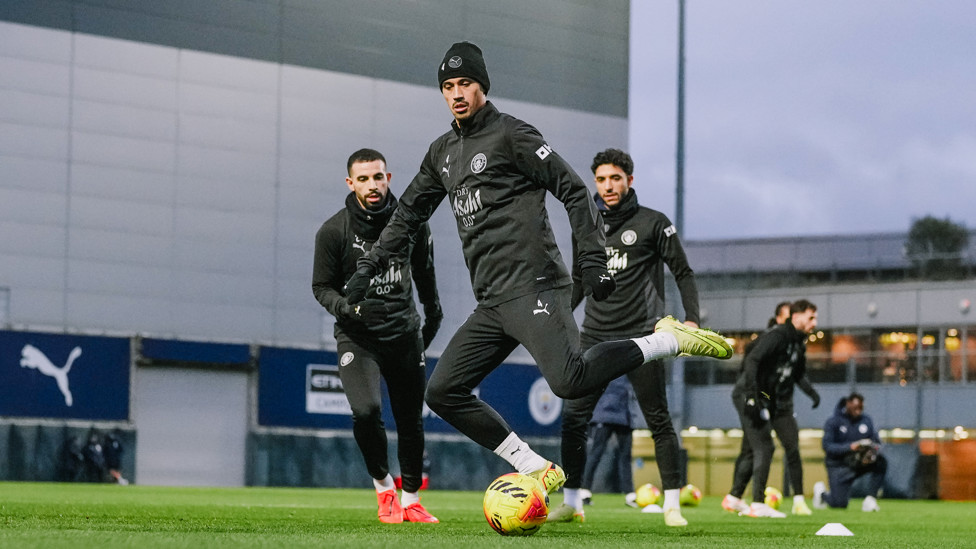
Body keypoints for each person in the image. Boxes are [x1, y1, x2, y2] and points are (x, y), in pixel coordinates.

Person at [342, 42, 733, 500]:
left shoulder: (513, 134)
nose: (457, 94)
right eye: (448, 86)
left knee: (569, 381)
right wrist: (368, 266)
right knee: (443, 392)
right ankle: (534, 466)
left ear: (482, 86)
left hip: (536, 286)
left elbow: (573, 189)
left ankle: (666, 340)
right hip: (492, 301)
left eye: (465, 83)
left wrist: (591, 258)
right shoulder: (442, 152)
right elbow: (407, 214)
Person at [548, 148, 704, 527]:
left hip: (642, 339)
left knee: (658, 420)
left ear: (629, 180)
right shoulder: (586, 223)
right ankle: (572, 502)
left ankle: (671, 504)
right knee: (574, 418)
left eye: (615, 178)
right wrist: (558, 318)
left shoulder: (654, 223)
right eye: (601, 179)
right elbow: (581, 278)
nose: (608, 186)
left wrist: (692, 319)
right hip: (595, 337)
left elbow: (683, 272)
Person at [312, 148, 443, 524]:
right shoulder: (333, 231)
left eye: (378, 177)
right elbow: (321, 287)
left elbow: (425, 273)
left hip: (403, 333)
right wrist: (347, 308)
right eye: (364, 179)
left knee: (410, 420)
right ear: (350, 183)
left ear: (389, 178)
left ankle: (412, 499)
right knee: (367, 412)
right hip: (358, 338)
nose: (372, 184)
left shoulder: (411, 223)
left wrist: (433, 315)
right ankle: (385, 488)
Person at [722, 299, 821, 518]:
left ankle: (734, 498)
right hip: (748, 395)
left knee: (752, 448)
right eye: (811, 317)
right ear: (796, 317)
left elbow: (797, 374)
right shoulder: (778, 335)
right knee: (765, 446)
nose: (815, 322)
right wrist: (751, 395)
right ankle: (758, 504)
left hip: (764, 398)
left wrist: (812, 393)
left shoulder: (797, 343)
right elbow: (752, 359)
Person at [814, 391, 886, 512]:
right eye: (855, 407)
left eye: (861, 408)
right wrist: (850, 447)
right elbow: (827, 446)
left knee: (880, 462)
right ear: (848, 404)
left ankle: (870, 500)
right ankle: (822, 494)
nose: (858, 411)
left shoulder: (866, 420)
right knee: (839, 504)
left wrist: (871, 451)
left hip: (858, 462)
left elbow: (876, 441)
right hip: (838, 466)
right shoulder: (833, 421)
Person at [578, 376, 636, 505]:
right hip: (605, 413)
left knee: (625, 455)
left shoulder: (628, 367)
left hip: (624, 414)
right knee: (596, 453)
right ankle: (584, 491)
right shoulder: (608, 365)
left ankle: (630, 494)